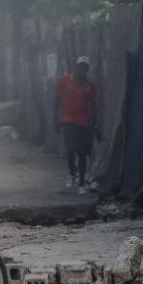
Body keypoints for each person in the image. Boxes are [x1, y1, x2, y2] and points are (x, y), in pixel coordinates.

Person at [54, 56, 100, 194]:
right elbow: (57, 99)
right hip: (68, 119)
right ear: (76, 68)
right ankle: (72, 173)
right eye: (80, 67)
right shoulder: (66, 80)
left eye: (85, 68)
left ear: (87, 70)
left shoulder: (90, 85)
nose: (82, 70)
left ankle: (81, 184)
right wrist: (55, 119)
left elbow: (93, 105)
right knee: (70, 148)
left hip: (84, 121)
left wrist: (95, 125)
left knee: (82, 153)